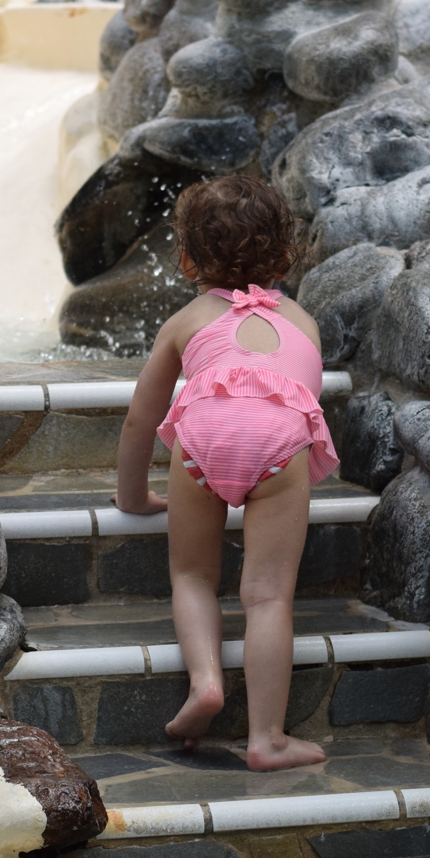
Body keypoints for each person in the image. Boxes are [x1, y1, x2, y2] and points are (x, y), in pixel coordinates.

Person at [112, 176, 339, 771]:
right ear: (285, 257)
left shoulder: (185, 321)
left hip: (202, 440)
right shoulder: (304, 323)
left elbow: (141, 420)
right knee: (267, 596)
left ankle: (206, 682)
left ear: (187, 261)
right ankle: (267, 739)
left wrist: (132, 496)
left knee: (191, 574)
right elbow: (297, 398)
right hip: (278, 447)